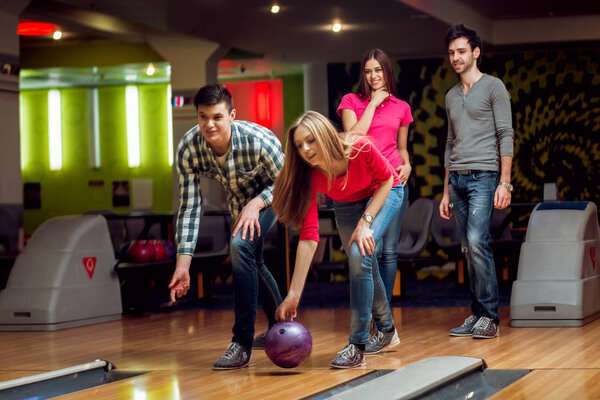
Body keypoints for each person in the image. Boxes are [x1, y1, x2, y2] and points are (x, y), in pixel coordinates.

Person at [272, 111, 403, 368]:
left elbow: (388, 179)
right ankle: (387, 330)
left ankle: (357, 345)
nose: (306, 149)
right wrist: (293, 294)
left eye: (310, 140)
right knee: (363, 260)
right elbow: (309, 237)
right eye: (299, 145)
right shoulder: (309, 176)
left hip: (385, 192)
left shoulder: (359, 147)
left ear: (323, 134)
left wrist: (365, 223)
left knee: (358, 253)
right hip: (345, 204)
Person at [168, 84, 285, 369]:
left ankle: (242, 343)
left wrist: (256, 204)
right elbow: (190, 207)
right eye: (203, 116)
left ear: (232, 115)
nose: (209, 124)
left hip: (275, 199)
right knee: (251, 259)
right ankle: (280, 328)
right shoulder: (189, 148)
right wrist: (183, 264)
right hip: (239, 208)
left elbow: (287, 184)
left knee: (240, 245)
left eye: (217, 117)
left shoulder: (259, 140)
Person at [439, 24, 514, 339]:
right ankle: (477, 312)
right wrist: (444, 192)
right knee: (467, 247)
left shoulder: (494, 87)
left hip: (484, 177)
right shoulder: (451, 96)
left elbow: (505, 134)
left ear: (475, 52)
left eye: (461, 52)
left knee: (477, 242)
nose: (456, 58)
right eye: (452, 53)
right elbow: (449, 142)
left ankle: (490, 317)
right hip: (456, 180)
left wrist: (505, 182)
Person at [337, 48, 413, 311]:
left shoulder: (402, 107)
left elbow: (400, 148)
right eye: (368, 71)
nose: (373, 76)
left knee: (390, 252)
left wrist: (408, 165)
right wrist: (372, 103)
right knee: (372, 251)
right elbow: (352, 138)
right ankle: (373, 312)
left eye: (378, 70)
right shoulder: (350, 101)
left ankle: (384, 316)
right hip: (363, 185)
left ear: (386, 71)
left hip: (393, 183)